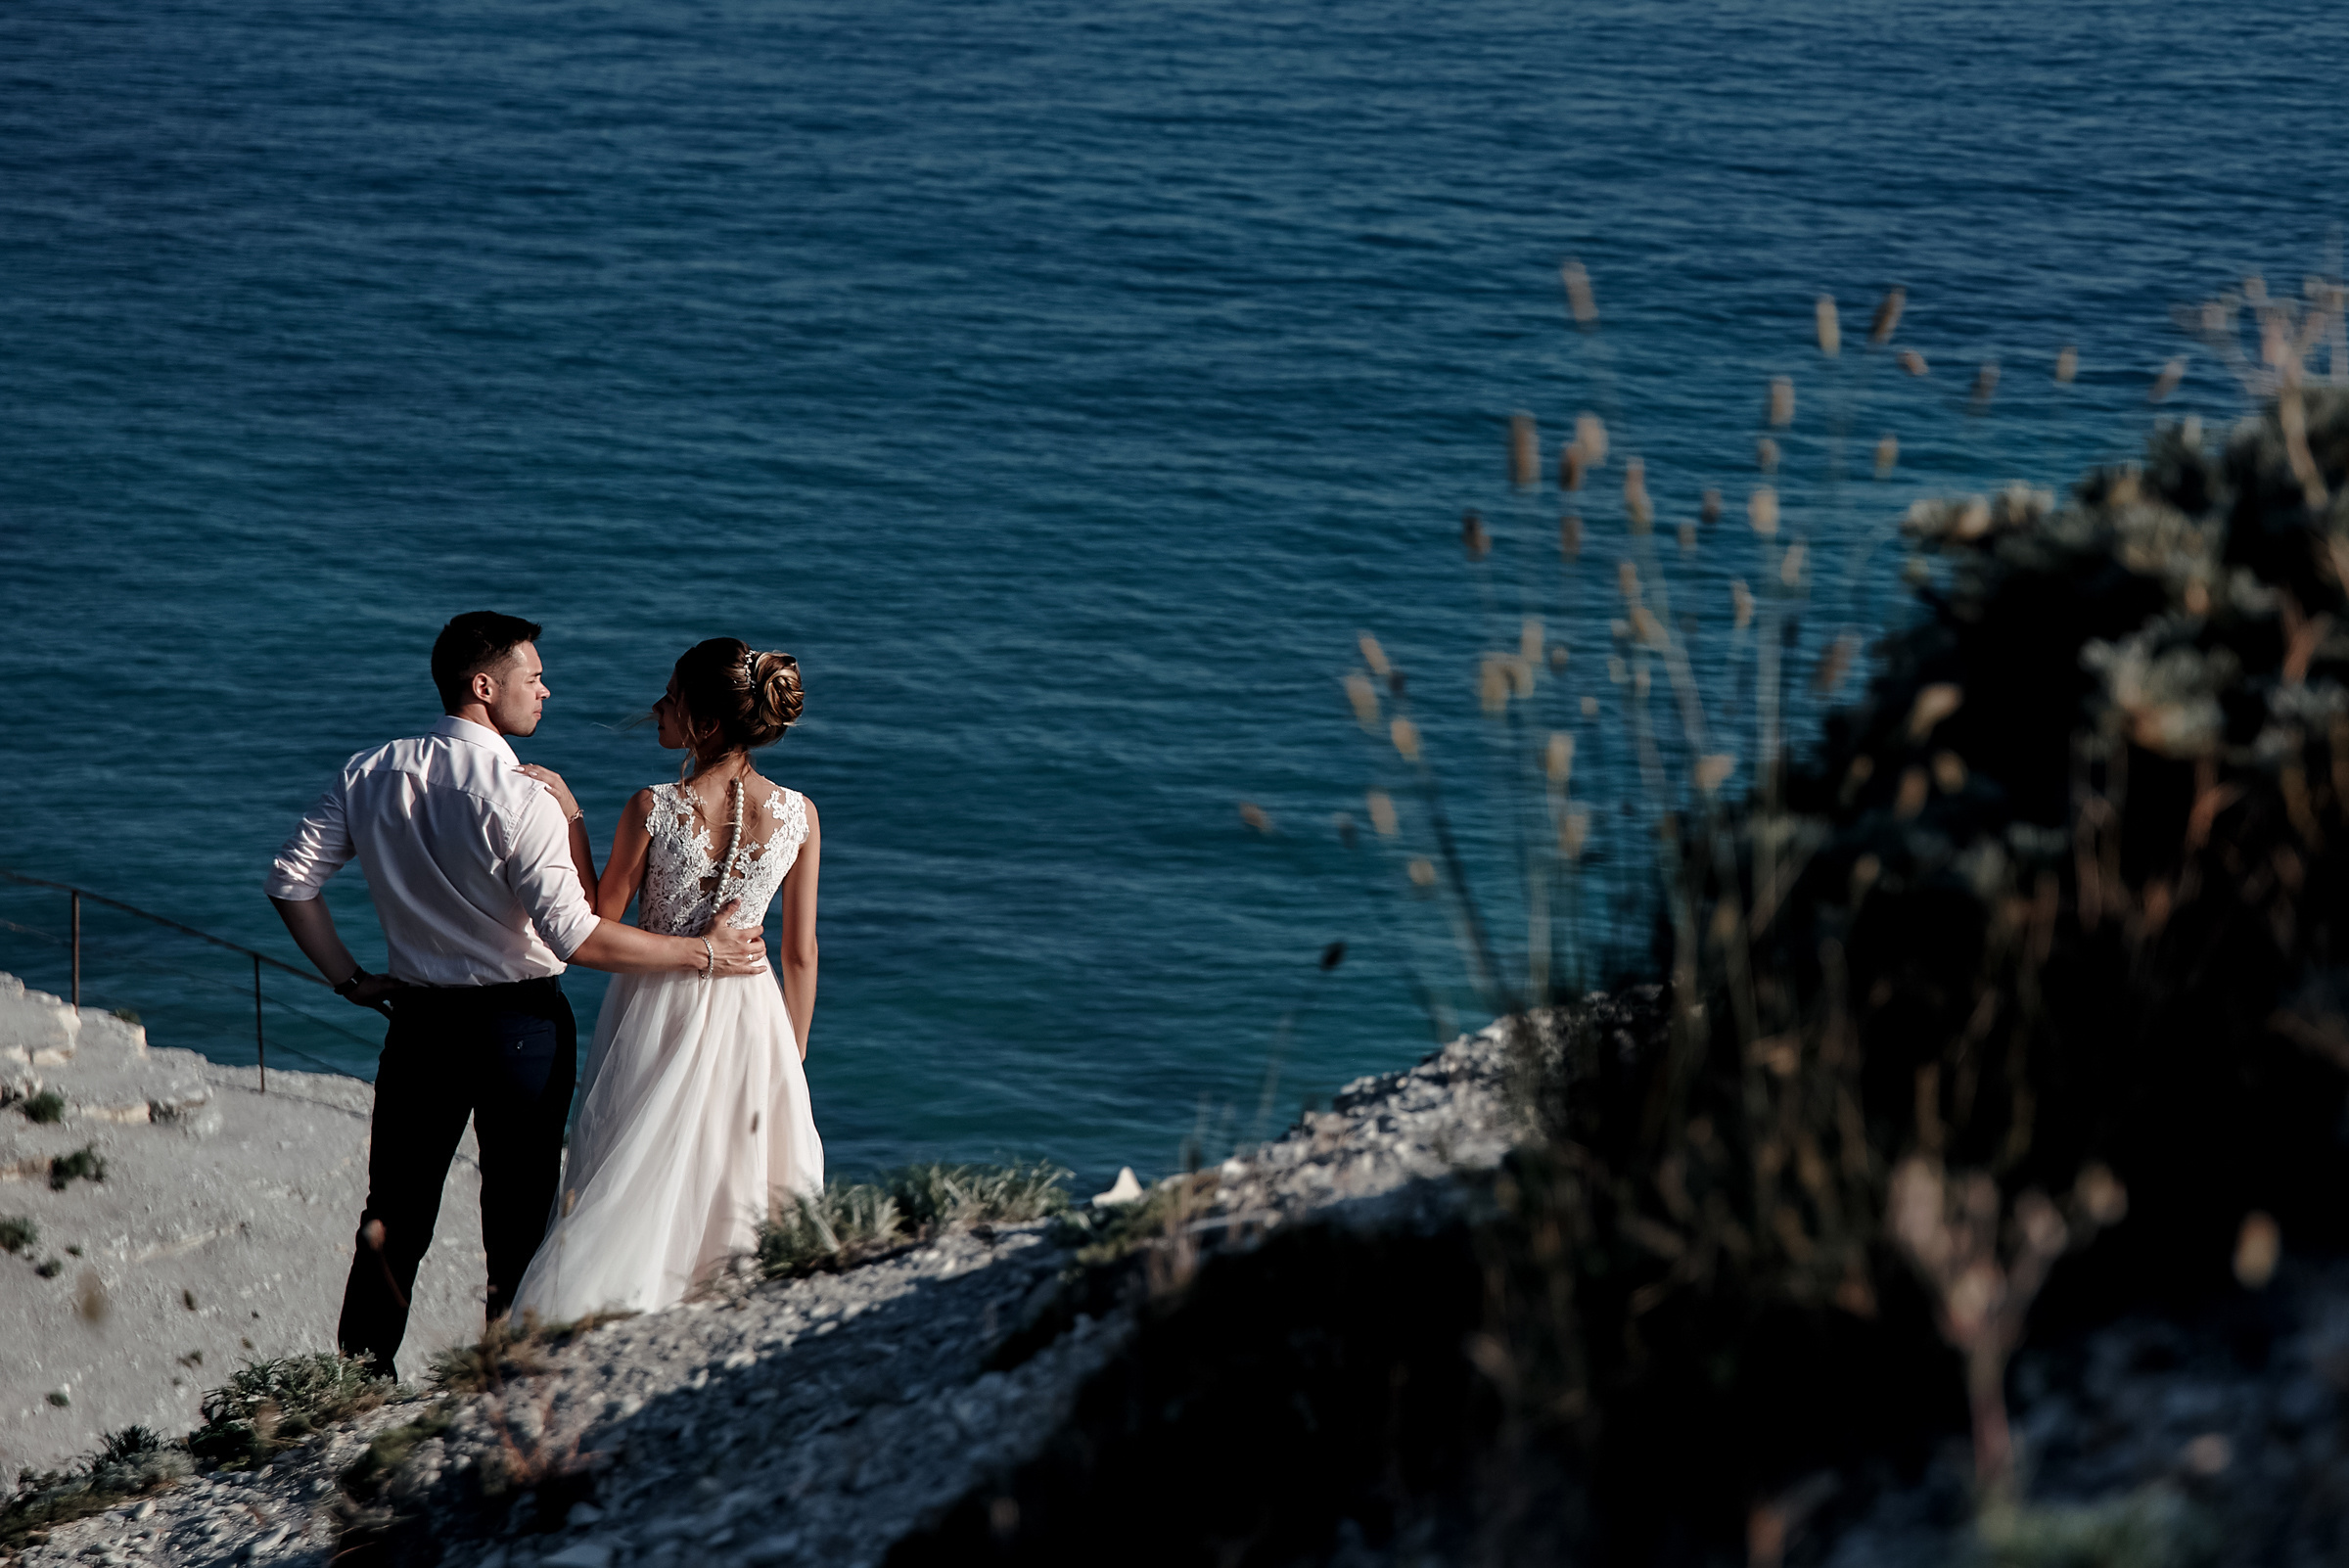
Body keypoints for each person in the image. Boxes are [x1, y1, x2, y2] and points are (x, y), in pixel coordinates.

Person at [265, 612, 771, 1377]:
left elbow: (290, 881)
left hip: (417, 1022)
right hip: (521, 1031)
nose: (545, 689)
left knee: (393, 1218)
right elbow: (578, 937)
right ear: (483, 686)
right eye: (531, 678)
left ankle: (355, 1387)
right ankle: (504, 1382)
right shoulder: (520, 795)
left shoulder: (370, 771)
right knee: (518, 1223)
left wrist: (349, 978)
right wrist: (703, 952)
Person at [509, 637, 823, 1318]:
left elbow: (597, 916)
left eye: (672, 698)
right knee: (734, 1175)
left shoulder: (652, 807)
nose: (657, 707)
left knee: (637, 1162)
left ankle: (625, 1306)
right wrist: (791, 1058)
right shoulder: (801, 815)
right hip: (756, 1020)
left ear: (706, 723)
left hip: (657, 1007)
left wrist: (570, 816)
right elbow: (800, 954)